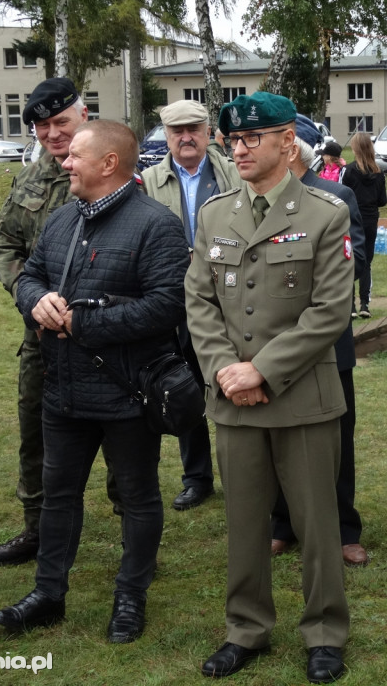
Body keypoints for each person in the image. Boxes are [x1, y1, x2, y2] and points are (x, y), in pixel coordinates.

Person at [0, 120, 190, 643]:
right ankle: (47, 595)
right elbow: (29, 273)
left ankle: (130, 597)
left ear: (108, 164)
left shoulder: (156, 225)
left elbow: (168, 304)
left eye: (75, 154)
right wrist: (35, 300)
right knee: (59, 496)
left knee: (138, 497)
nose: (64, 162)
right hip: (63, 393)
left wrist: (84, 323)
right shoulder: (61, 220)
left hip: (127, 394)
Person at [185, 92, 353, 683]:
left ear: (288, 141)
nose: (241, 148)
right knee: (244, 522)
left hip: (302, 399)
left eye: (253, 138)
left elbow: (331, 311)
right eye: (234, 139)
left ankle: (325, 631)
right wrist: (227, 370)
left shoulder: (326, 213)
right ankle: (246, 628)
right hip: (232, 399)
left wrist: (262, 369)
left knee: (316, 524)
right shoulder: (214, 213)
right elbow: (199, 300)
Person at [0, 77, 89, 567]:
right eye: (42, 126)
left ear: (82, 114)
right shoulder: (30, 178)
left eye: (60, 122)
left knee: (119, 437)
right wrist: (28, 295)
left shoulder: (113, 165)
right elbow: (6, 243)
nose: (52, 134)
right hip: (40, 337)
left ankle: (135, 534)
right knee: (35, 432)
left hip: (101, 336)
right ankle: (36, 529)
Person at [269, 115, 369, 567]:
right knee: (275, 435)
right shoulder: (257, 198)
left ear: (292, 150)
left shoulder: (337, 196)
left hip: (327, 344)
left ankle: (345, 528)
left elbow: (357, 257)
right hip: (272, 343)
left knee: (336, 440)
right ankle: (283, 522)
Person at [141, 98, 240, 512]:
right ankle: (196, 478)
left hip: (231, 297)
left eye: (193, 130)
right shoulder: (148, 181)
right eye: (177, 131)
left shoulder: (233, 173)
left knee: (234, 383)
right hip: (174, 301)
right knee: (184, 389)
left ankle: (242, 474)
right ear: (167, 136)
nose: (186, 138)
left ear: (206, 134)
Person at [340, 132, 386, 318]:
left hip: (352, 219)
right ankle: (365, 304)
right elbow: (382, 200)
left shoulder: (349, 171)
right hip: (370, 219)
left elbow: (342, 195)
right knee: (366, 261)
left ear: (355, 149)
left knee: (348, 259)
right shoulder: (379, 173)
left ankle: (350, 306)